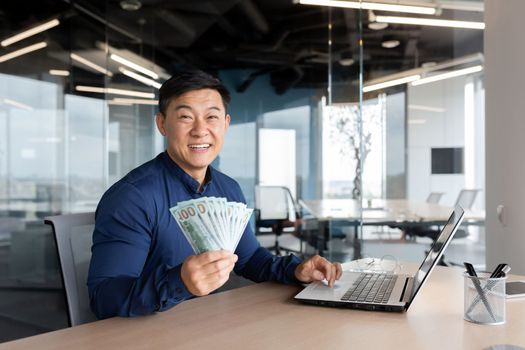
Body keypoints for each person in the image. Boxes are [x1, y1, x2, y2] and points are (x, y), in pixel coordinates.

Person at [87, 69, 342, 319]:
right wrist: (179, 281)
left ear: (225, 124)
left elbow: (250, 258)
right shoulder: (131, 198)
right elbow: (104, 297)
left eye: (211, 117)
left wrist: (296, 270)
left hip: (207, 325)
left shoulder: (228, 190)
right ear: (162, 124)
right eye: (186, 117)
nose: (200, 130)